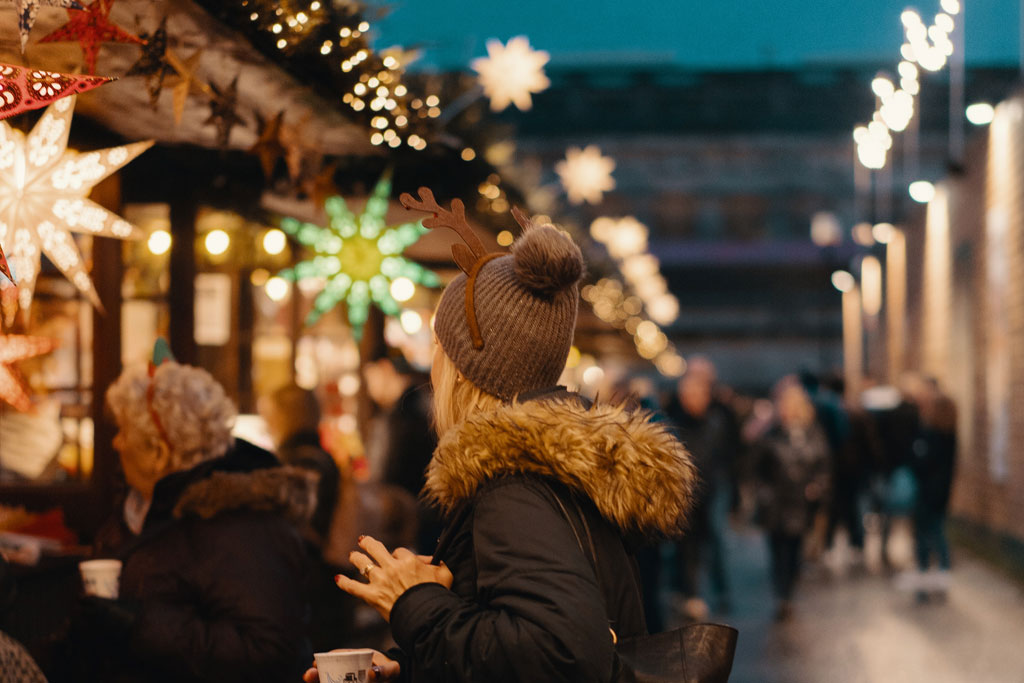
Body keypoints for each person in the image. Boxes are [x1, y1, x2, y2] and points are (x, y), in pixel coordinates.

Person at [308, 203, 697, 682]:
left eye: (440, 348)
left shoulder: (514, 486)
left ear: (465, 369)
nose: (433, 365)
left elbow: (561, 653)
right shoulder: (559, 473)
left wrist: (414, 602)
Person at [65, 359, 315, 683]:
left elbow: (267, 653)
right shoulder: (141, 507)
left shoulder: (243, 525)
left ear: (158, 453)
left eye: (123, 430)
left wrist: (139, 626)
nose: (116, 443)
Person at [755, 379, 830, 621]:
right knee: (778, 551)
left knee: (794, 550)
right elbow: (756, 466)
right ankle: (782, 595)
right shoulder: (771, 434)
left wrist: (818, 486)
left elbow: (824, 464)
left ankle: (788, 592)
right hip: (776, 502)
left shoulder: (813, 432)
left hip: (800, 502)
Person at [664, 368, 730, 620]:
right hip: (685, 495)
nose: (692, 399)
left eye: (697, 394)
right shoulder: (673, 422)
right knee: (686, 548)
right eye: (688, 394)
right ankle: (690, 593)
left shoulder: (716, 421)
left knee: (715, 544)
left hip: (712, 491)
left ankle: (720, 591)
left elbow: (725, 455)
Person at [909, 385, 957, 601]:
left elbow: (919, 463)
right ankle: (942, 578)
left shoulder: (929, 435)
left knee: (923, 538)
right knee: (939, 535)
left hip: (926, 493)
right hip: (942, 493)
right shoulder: (951, 436)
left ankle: (924, 582)